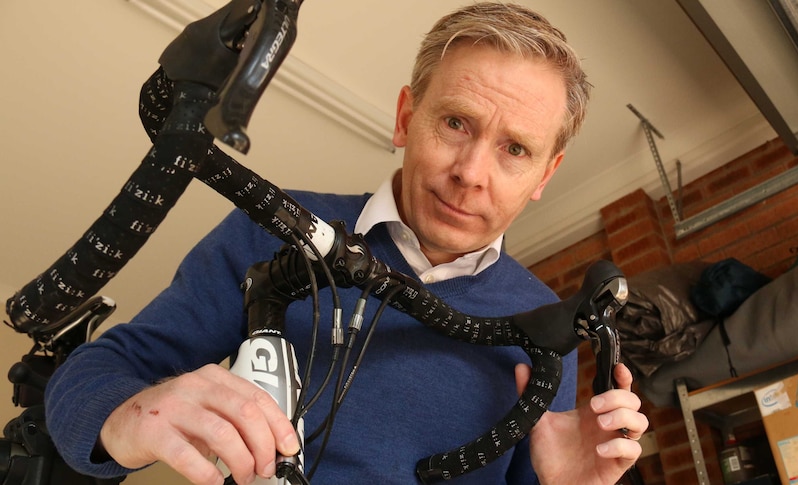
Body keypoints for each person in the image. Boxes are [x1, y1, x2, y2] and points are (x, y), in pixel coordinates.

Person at [45, 3, 648, 484]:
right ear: (406, 118)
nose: (471, 173)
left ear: (545, 174)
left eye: (515, 149)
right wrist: (132, 419)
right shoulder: (272, 226)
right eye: (456, 123)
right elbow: (95, 375)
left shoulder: (550, 328)